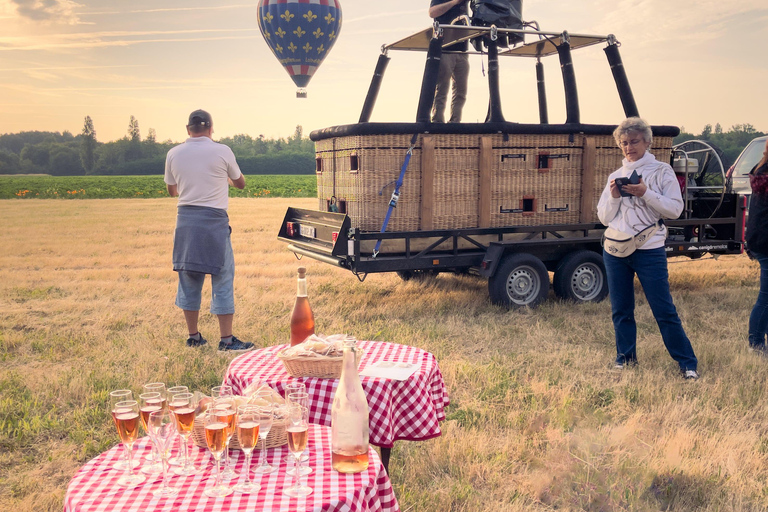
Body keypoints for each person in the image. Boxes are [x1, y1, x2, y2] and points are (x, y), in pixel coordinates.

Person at [597, 117, 699, 379]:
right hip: (615, 250)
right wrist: (614, 197)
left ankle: (687, 364)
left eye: (634, 142)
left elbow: (675, 210)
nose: (628, 147)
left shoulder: (662, 171)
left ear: (647, 142)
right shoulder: (615, 176)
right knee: (621, 309)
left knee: (663, 309)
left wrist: (645, 192)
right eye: (624, 143)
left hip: (649, 249)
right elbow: (605, 218)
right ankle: (625, 359)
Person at [164, 109, 253, 351]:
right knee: (222, 278)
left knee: (189, 279)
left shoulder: (173, 153)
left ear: (187, 129)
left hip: (186, 222)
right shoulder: (222, 151)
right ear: (211, 128)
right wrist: (223, 179)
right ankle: (226, 340)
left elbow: (172, 191)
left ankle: (194, 337)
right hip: (214, 222)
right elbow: (241, 183)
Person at [429, 0, 470, 123]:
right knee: (442, 87)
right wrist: (455, 2)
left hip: (462, 51)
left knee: (461, 91)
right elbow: (432, 12)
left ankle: (455, 122)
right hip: (445, 49)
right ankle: (437, 122)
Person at [747, 138, 768, 353]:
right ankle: (756, 343)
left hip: (759, 238)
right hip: (765, 240)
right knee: (766, 298)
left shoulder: (761, 168)